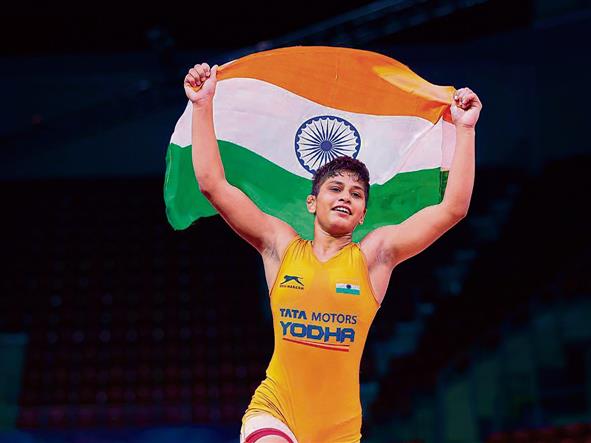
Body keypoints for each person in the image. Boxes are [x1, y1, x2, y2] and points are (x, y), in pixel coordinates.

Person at [183, 62, 481, 443]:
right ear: (312, 202)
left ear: (363, 214)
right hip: (275, 412)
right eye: (335, 189)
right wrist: (202, 104)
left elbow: (452, 209)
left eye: (356, 194)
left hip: (339, 432)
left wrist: (465, 130)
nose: (345, 197)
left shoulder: (374, 257)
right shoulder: (280, 247)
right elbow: (212, 184)